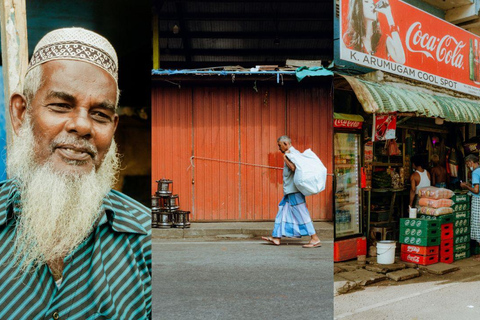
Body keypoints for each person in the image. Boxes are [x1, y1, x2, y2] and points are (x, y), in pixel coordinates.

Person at [0, 28, 151, 319]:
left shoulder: (144, 240)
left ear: (113, 129)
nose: (82, 126)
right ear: (21, 114)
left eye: (100, 114)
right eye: (60, 106)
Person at [262, 136, 321, 248]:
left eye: (280, 145)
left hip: (294, 191)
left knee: (302, 213)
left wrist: (285, 158)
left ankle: (315, 238)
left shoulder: (291, 153)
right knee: (282, 211)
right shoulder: (292, 153)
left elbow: (294, 168)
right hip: (290, 191)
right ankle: (276, 237)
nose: (279, 148)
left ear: (285, 143)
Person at [460, 154, 480, 261]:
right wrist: (470, 184)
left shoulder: (475, 172)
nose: (468, 166)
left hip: (478, 200)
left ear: (471, 162)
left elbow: (476, 190)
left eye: (468, 164)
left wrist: (466, 186)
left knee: (478, 225)